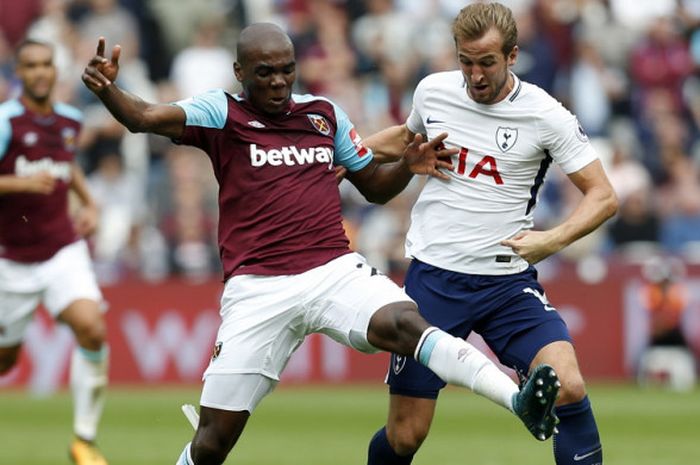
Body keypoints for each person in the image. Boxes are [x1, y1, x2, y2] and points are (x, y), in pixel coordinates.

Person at [81, 24, 560, 465]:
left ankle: (516, 400)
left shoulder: (324, 115)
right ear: (240, 72)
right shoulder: (221, 111)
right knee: (212, 442)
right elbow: (143, 117)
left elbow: (372, 185)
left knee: (406, 322)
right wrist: (110, 90)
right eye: (264, 72)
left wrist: (406, 167)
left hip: (333, 270)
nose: (276, 81)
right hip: (258, 289)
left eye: (286, 69)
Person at [362, 3, 618, 465]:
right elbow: (405, 138)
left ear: (513, 56)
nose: (475, 75)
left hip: (507, 284)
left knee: (568, 385)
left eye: (487, 63)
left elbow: (603, 196)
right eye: (466, 61)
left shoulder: (546, 114)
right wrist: (346, 153)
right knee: (405, 437)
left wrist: (550, 240)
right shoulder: (434, 92)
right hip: (433, 282)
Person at [0, 40, 109, 465]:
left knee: (93, 330)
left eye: (47, 64)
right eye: (31, 66)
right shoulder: (7, 122)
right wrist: (21, 184)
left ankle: (83, 440)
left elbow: (67, 162)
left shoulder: (70, 119)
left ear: (55, 69)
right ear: (19, 73)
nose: (41, 72)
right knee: (6, 360)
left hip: (62, 249)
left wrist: (90, 201)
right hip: (11, 259)